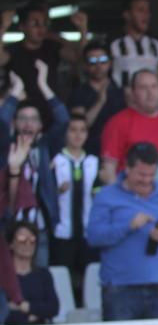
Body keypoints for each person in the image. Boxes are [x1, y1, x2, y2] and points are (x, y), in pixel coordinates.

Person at [86, 142, 158, 321]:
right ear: (127, 168)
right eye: (141, 174)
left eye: (151, 174)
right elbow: (94, 237)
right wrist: (127, 226)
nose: (146, 180)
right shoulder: (107, 195)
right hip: (119, 290)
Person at [1, 65, 68, 268]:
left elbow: (63, 119)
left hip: (39, 229)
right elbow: (1, 121)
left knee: (38, 278)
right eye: (22, 119)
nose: (28, 124)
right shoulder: (6, 147)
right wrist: (15, 91)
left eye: (33, 120)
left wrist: (43, 84)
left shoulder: (46, 146)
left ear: (40, 125)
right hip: (8, 227)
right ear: (15, 123)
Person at [0, 3, 86, 125]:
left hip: (49, 112)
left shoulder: (52, 47)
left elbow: (79, 58)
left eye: (44, 24)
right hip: (20, 115)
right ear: (22, 26)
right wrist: (3, 28)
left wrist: (82, 29)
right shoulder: (14, 50)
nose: (41, 28)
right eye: (35, 24)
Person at [100, 69, 158, 184]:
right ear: (132, 93)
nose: (150, 92)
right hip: (131, 193)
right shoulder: (118, 122)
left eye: (154, 87)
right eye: (143, 88)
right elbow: (108, 170)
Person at [50, 114, 100, 299]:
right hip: (63, 231)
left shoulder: (94, 162)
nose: (77, 135)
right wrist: (57, 191)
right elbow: (44, 194)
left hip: (88, 231)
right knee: (64, 277)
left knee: (89, 277)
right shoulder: (55, 161)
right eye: (73, 130)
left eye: (82, 130)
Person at [68, 41, 126, 157]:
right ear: (85, 65)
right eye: (93, 62)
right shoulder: (78, 93)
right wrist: (100, 102)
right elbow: (78, 128)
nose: (99, 66)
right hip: (89, 152)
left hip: (118, 151)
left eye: (103, 60)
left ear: (110, 63)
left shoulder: (121, 92)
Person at [4, 221, 58, 325]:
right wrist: (34, 314)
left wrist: (25, 306)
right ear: (11, 244)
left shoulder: (43, 274)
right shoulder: (4, 276)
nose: (28, 244)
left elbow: (53, 307)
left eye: (32, 240)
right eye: (22, 239)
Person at [110, 0, 158, 90]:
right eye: (141, 10)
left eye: (148, 11)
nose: (146, 15)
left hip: (151, 103)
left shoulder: (157, 45)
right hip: (121, 102)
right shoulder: (113, 43)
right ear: (127, 15)